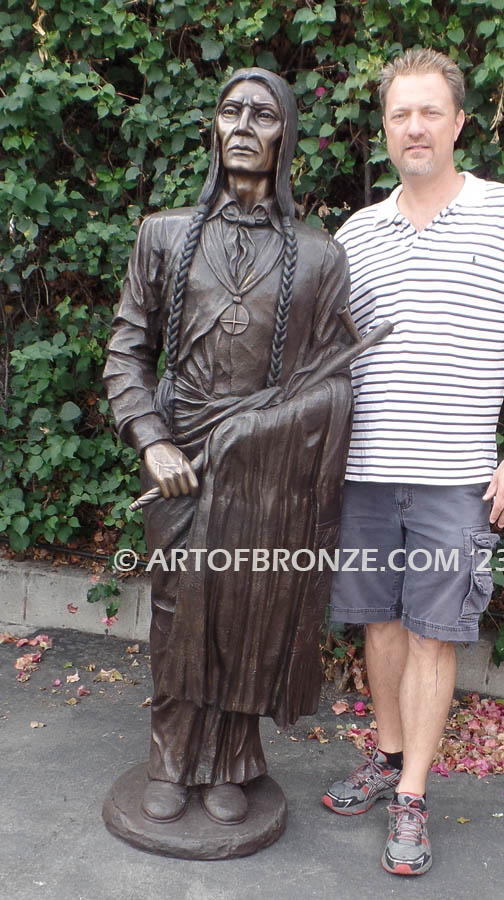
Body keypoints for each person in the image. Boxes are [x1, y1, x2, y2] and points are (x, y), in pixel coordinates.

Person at [321, 49, 504, 876]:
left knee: (433, 632)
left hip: (456, 476)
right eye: (400, 114)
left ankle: (412, 796)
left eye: (429, 112)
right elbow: (330, 354)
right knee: (379, 622)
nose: (414, 127)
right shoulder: (356, 233)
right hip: (364, 471)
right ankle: (388, 757)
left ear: (458, 122)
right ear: (385, 129)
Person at [103, 68, 355, 830]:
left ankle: (231, 763)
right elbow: (126, 352)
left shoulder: (319, 256)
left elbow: (333, 381)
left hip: (265, 465)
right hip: (182, 458)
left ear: (286, 137)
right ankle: (171, 760)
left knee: (250, 612)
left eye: (263, 115)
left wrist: (266, 430)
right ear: (214, 128)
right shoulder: (163, 234)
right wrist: (151, 440)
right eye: (230, 111)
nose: (244, 126)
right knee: (179, 614)